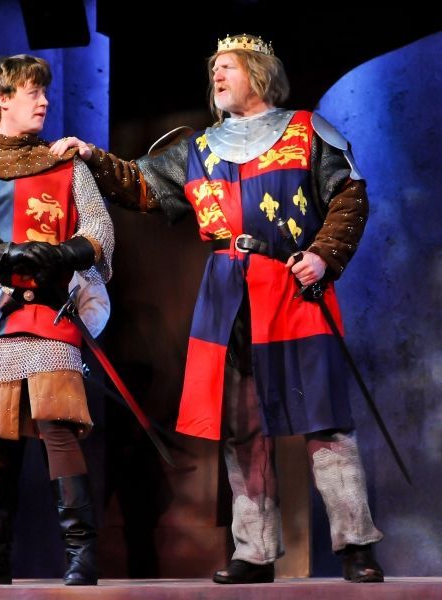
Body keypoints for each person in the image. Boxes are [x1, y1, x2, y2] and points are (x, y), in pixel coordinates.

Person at [50, 34, 384, 584]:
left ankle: (356, 547)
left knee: (325, 421)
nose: (217, 78)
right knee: (241, 428)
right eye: (213, 71)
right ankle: (253, 551)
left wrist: (324, 257)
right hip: (228, 295)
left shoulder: (306, 130)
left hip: (292, 290)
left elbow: (349, 195)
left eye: (227, 68)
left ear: (258, 72)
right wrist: (91, 156)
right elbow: (142, 186)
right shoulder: (199, 148)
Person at [0, 54, 114, 586]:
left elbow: (100, 235)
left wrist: (64, 254)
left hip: (48, 312)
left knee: (57, 425)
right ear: (2, 98)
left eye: (45, 92)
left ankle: (82, 555)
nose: (45, 101)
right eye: (33, 91)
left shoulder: (66, 166)